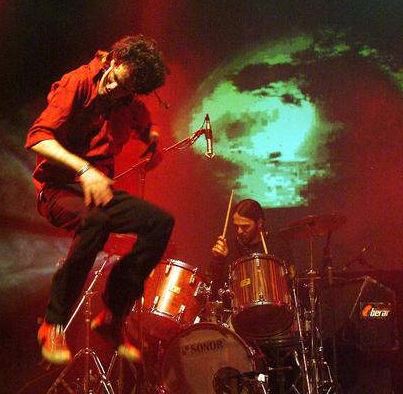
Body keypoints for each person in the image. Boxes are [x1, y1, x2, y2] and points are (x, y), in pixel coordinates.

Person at [25, 35, 174, 365]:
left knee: (160, 223)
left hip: (97, 190)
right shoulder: (78, 83)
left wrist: (152, 139)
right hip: (57, 188)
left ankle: (112, 315)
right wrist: (83, 169)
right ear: (115, 60)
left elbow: (143, 121)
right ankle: (53, 323)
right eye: (118, 82)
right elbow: (37, 138)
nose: (117, 92)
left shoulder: (128, 100)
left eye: (127, 90)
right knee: (96, 221)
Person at [210, 198, 292, 296]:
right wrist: (218, 260)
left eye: (245, 226)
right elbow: (215, 290)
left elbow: (288, 283)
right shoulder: (229, 247)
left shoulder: (277, 245)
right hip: (238, 304)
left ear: (259, 223)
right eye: (236, 226)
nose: (239, 231)